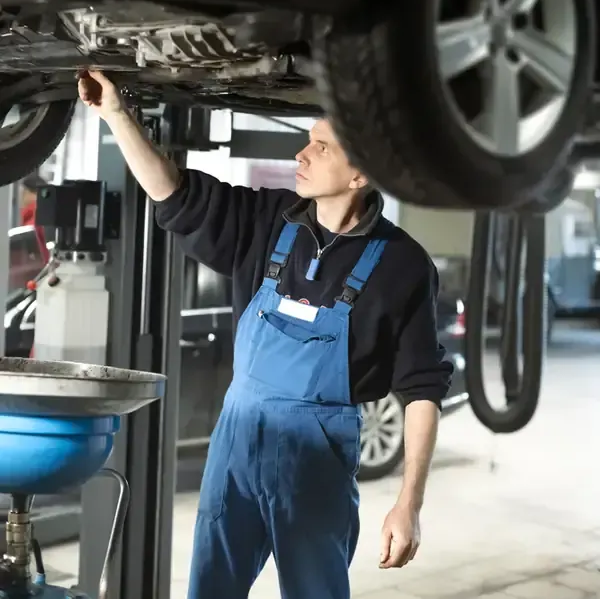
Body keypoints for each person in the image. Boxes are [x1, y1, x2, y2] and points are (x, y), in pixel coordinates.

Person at [78, 69, 453, 599]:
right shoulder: (270, 220)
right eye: (307, 141)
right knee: (211, 588)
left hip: (314, 458)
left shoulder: (402, 266)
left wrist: (408, 502)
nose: (302, 154)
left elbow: (421, 389)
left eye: (321, 148)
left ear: (360, 175)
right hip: (236, 441)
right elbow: (175, 196)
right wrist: (116, 114)